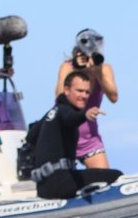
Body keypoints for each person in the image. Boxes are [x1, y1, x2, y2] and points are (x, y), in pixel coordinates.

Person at [30, 71, 124, 199]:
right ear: (67, 90)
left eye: (87, 92)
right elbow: (71, 118)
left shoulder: (51, 113)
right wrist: (85, 115)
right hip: (60, 184)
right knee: (116, 175)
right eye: (79, 91)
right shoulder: (64, 111)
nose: (84, 96)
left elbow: (30, 136)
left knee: (96, 176)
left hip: (44, 187)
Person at [55, 29, 119, 169]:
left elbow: (114, 97)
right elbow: (59, 97)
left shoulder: (104, 69)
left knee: (105, 180)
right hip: (64, 135)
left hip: (89, 139)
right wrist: (78, 71)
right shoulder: (67, 67)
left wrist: (97, 73)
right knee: (63, 185)